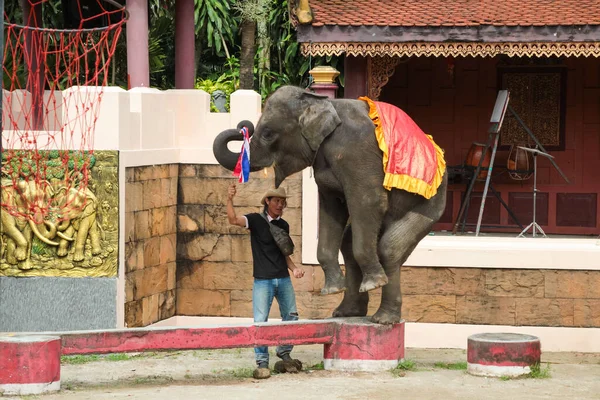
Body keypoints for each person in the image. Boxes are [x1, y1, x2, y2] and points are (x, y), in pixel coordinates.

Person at [227, 184, 305, 379]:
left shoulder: (284, 225)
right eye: (277, 201)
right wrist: (229, 199)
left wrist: (294, 268)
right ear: (267, 202)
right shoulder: (255, 220)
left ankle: (284, 352)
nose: (280, 205)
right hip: (263, 280)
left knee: (291, 316)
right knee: (261, 321)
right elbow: (233, 220)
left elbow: (284, 253)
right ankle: (262, 362)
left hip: (283, 278)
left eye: (283, 202)